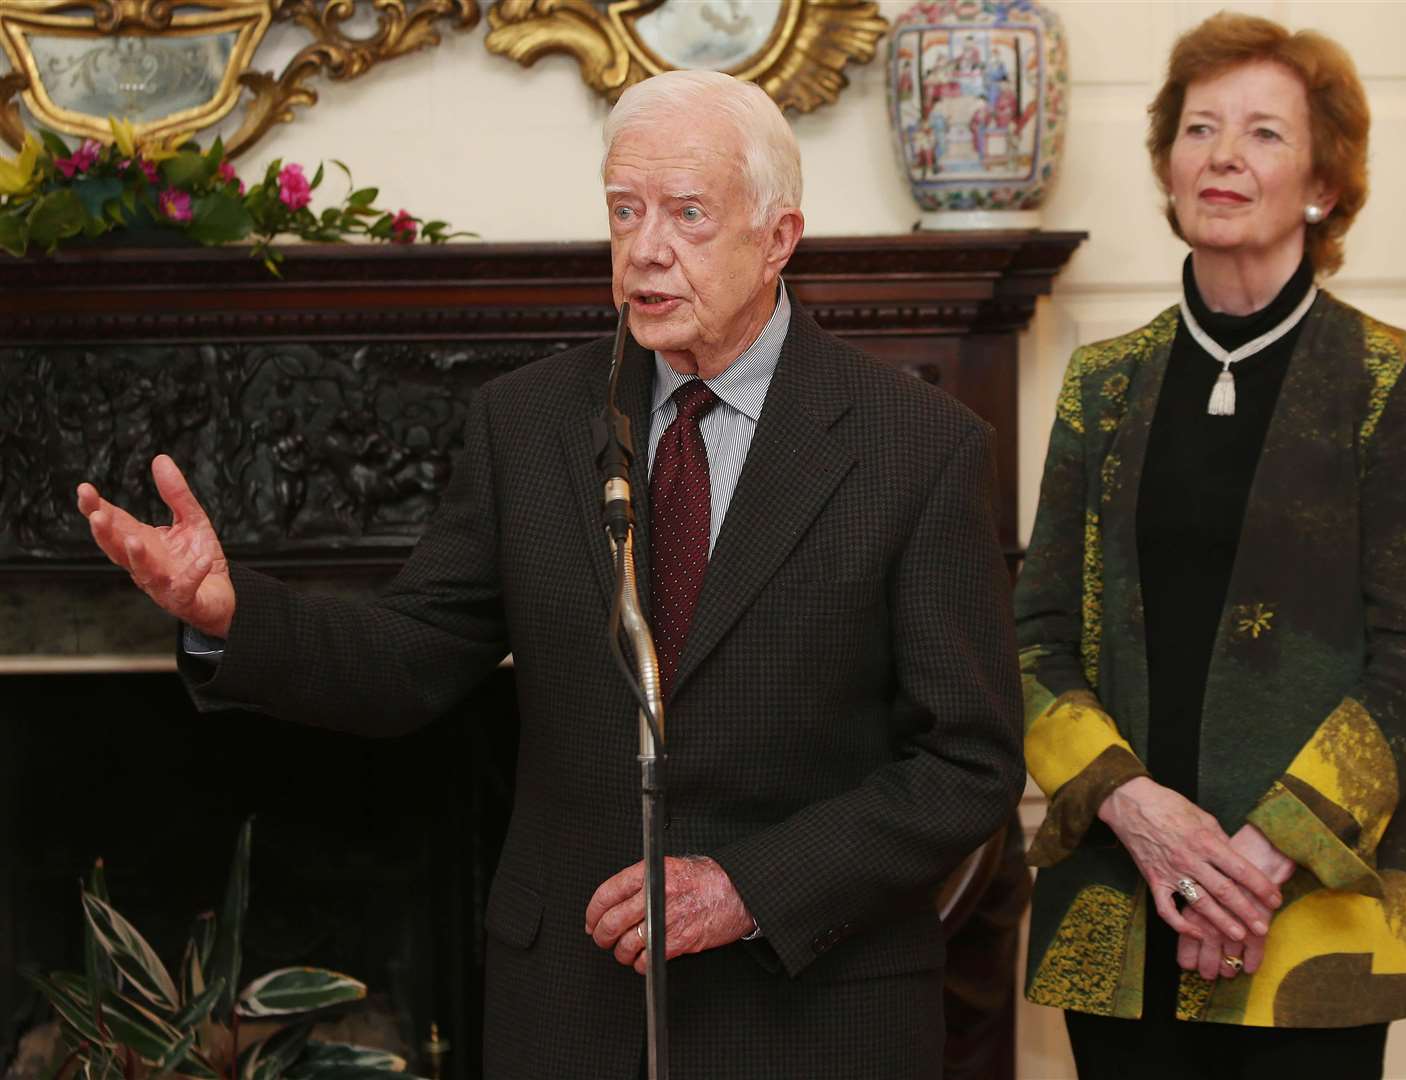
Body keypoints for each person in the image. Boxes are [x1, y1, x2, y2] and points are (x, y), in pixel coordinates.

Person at [75, 70, 1023, 1080]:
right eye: (625, 210)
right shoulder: (528, 423)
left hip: (812, 1011)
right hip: (573, 1004)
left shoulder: (917, 447)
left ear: (778, 236)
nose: (645, 248)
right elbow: (411, 656)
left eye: (687, 215)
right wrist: (230, 611)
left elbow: (964, 767)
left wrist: (750, 886)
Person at [1013, 12, 1406, 1078]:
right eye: (1199, 128)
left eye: (1262, 132)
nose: (1221, 154)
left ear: (1321, 184)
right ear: (1168, 168)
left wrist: (1253, 862)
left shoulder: (1390, 379)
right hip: (1120, 904)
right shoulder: (1102, 383)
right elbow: (1034, 642)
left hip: (1305, 921)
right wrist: (1138, 811)